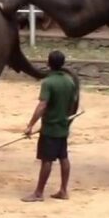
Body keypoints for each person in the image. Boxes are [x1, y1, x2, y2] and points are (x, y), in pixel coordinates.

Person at [22, 51, 78, 202]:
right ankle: (63, 190)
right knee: (63, 157)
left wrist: (30, 125)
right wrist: (63, 118)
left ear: (48, 63)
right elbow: (72, 103)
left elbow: (42, 105)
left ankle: (39, 193)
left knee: (47, 160)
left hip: (50, 128)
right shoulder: (69, 82)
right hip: (62, 126)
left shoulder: (48, 82)